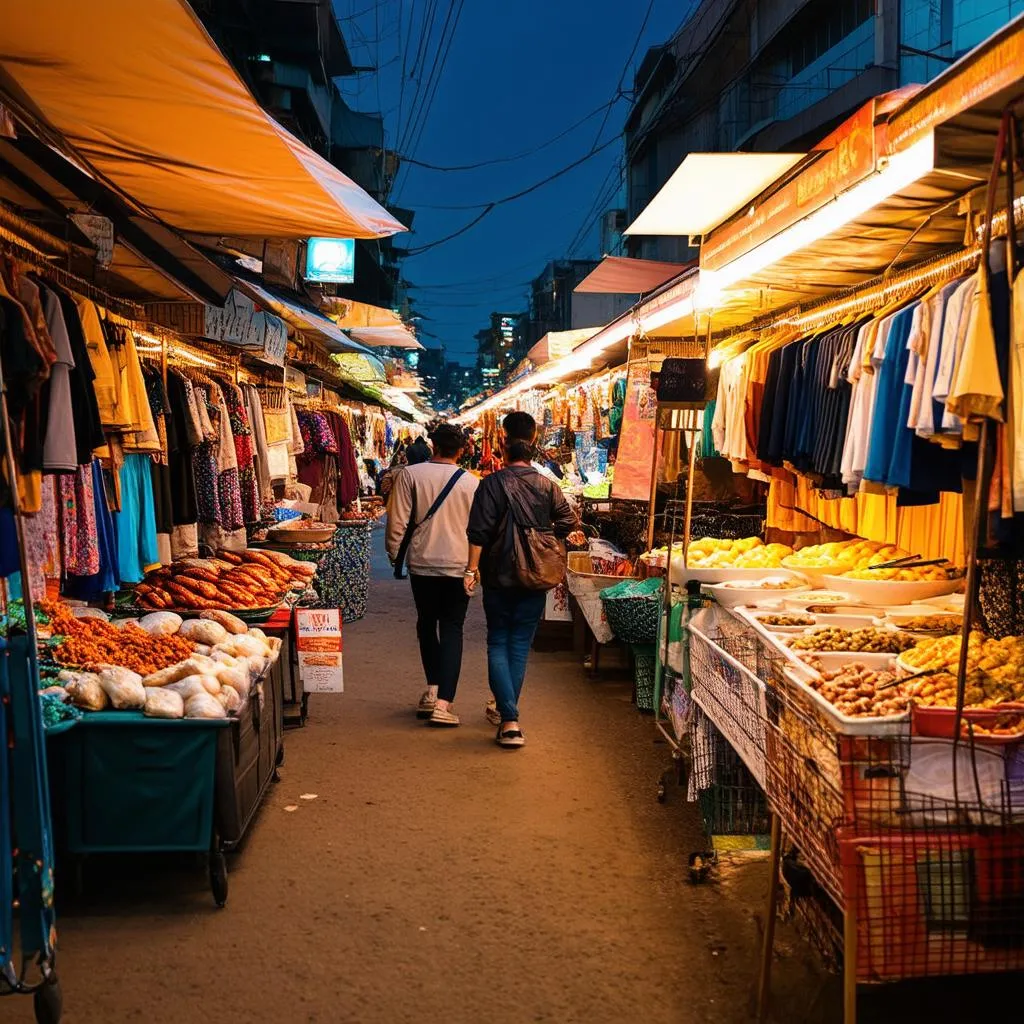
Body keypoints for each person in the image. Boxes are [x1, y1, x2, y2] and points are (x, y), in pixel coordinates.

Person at [464, 411, 584, 748]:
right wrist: (543, 539)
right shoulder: (548, 485)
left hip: (498, 574)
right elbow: (567, 522)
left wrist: (471, 570)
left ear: (503, 444)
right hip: (535, 575)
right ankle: (510, 719)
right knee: (518, 645)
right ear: (533, 443)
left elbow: (478, 532)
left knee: (498, 641)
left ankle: (509, 718)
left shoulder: (490, 485)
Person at [385, 423, 479, 727]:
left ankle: (432, 688)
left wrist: (393, 553)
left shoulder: (411, 475)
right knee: (452, 628)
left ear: (432, 446)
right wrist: (475, 568)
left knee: (426, 624)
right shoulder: (471, 482)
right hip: (458, 564)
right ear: (462, 450)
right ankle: (442, 703)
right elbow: (478, 530)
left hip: (422, 562)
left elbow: (397, 520)